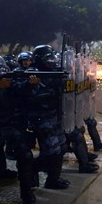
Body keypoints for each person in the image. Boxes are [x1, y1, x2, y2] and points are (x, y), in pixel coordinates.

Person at [0, 53, 37, 204]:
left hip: (9, 126)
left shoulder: (9, 83)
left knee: (25, 156)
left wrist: (29, 84)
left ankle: (26, 193)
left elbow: (19, 89)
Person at [25, 45, 70, 189]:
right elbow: (31, 96)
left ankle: (53, 179)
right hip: (41, 118)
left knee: (62, 148)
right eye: (48, 58)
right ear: (39, 59)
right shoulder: (32, 73)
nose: (51, 61)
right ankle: (30, 170)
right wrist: (49, 93)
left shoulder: (52, 71)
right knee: (52, 152)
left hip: (54, 116)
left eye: (52, 57)